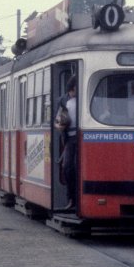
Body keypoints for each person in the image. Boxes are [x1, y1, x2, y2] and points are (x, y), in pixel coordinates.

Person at [55, 76, 78, 210]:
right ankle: (71, 198)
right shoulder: (63, 101)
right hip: (69, 138)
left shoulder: (84, 98)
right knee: (68, 167)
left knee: (78, 167)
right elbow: (57, 121)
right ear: (72, 87)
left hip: (82, 137)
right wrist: (60, 125)